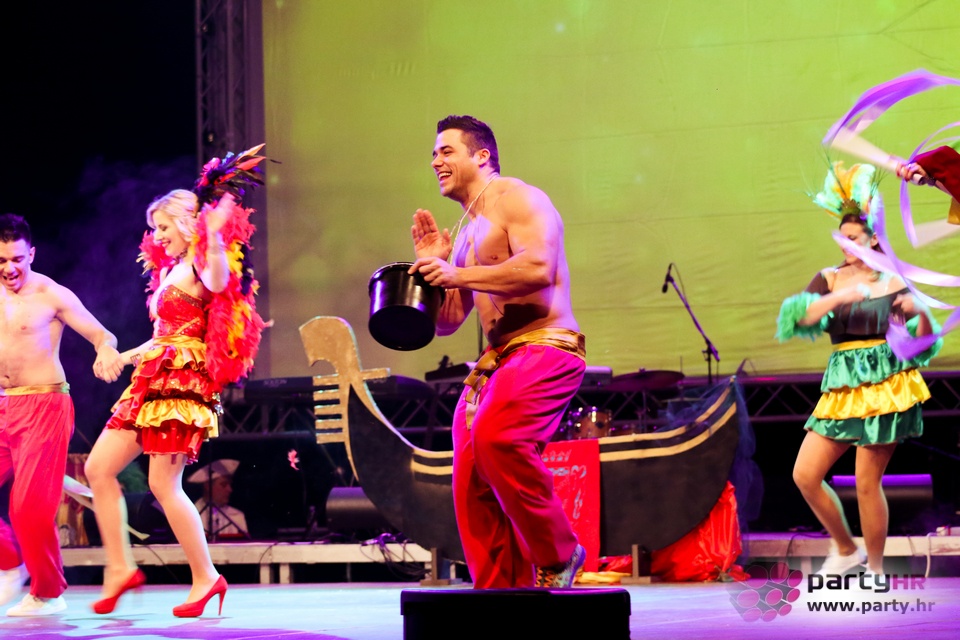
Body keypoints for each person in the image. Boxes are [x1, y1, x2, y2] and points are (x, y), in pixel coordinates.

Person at [84, 145, 266, 617]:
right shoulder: (170, 272)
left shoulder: (202, 262)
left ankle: (206, 577)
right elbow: (162, 336)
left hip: (182, 385)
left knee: (165, 485)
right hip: (151, 379)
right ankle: (120, 567)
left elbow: (221, 282)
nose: (157, 236)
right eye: (155, 228)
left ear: (186, 225)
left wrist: (214, 236)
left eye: (163, 227)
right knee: (98, 468)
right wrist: (122, 357)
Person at [408, 115, 586, 588]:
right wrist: (433, 267)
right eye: (433, 154)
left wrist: (457, 273)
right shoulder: (466, 231)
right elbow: (448, 322)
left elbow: (538, 268)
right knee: (469, 473)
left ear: (482, 156)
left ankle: (559, 553)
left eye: (447, 151)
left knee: (497, 436)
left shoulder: (518, 198)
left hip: (546, 348)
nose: (436, 161)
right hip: (499, 360)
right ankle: (500, 591)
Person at [776, 162, 940, 578]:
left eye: (852, 238)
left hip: (886, 384)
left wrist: (920, 312)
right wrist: (840, 297)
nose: (845, 244)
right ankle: (847, 548)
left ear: (874, 237)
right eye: (841, 238)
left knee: (867, 482)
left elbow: (922, 344)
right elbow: (798, 318)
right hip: (844, 384)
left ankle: (877, 571)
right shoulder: (830, 278)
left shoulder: (893, 280)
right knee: (805, 474)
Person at [0, 213, 123, 616]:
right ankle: (9, 563)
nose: (9, 268)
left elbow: (102, 334)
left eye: (17, 259)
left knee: (28, 507)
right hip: (3, 404)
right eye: (1, 260)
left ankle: (48, 594)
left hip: (45, 405)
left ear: (31, 254)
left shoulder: (51, 294)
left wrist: (105, 351)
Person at [187, 459, 249, 539]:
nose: (229, 489)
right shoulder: (190, 515)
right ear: (208, 486)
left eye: (230, 484)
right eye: (224, 484)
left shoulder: (237, 516)